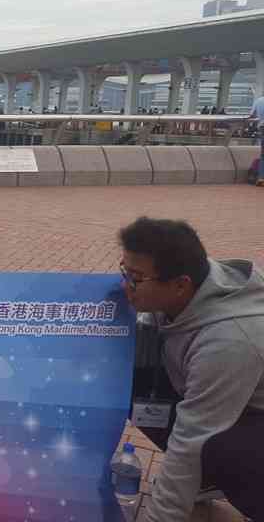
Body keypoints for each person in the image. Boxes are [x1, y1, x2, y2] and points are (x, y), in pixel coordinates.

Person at [118, 217, 263, 521]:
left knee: (216, 446)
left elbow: (191, 440)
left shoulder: (228, 341)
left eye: (135, 278)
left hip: (251, 421)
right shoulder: (190, 282)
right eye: (124, 271)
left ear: (180, 285)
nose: (124, 286)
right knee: (126, 381)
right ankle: (205, 480)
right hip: (226, 398)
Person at [250, 93, 264, 187]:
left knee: (263, 154)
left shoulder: (258, 100)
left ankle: (261, 178)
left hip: (262, 127)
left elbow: (252, 115)